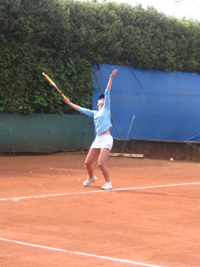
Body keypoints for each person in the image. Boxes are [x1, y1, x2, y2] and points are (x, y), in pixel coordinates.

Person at [64, 69, 118, 190]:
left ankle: (108, 182)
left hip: (106, 139)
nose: (103, 99)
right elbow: (80, 109)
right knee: (87, 163)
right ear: (98, 102)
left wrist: (110, 78)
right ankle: (91, 178)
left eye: (104, 99)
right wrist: (69, 103)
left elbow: (107, 92)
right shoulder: (94, 113)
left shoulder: (106, 109)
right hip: (98, 139)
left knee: (100, 163)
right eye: (101, 98)